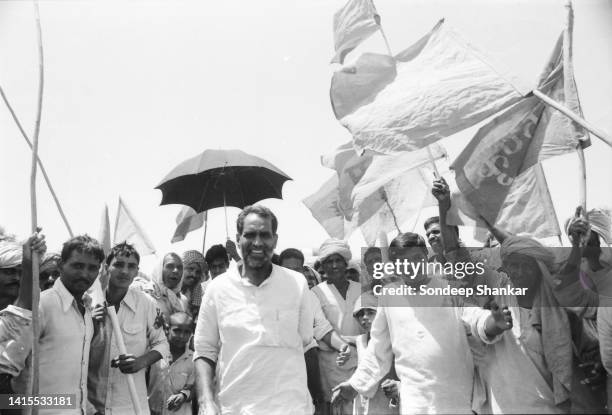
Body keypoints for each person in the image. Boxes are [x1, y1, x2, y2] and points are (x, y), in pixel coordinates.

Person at [331, 232, 505, 414]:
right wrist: (355, 385)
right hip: (414, 399)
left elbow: (474, 316)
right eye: (403, 261)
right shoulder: (389, 296)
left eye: (416, 258)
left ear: (426, 258)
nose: (411, 265)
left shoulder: (449, 288)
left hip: (455, 396)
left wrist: (492, 322)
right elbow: (377, 349)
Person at [194, 204, 314, 414]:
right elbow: (204, 350)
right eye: (250, 235)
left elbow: (305, 339)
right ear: (238, 239)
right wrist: (205, 401)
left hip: (290, 407)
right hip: (234, 408)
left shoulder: (297, 284)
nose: (257, 243)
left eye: (265, 235)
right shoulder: (217, 288)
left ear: (275, 240)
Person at [17, 235, 105, 414]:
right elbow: (7, 378)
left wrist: (88, 409)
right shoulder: (42, 305)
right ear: (61, 265)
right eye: (77, 265)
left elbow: (75, 385)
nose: (84, 274)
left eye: (92, 268)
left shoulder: (87, 313)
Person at [88, 242, 169, 415]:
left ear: (136, 271)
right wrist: (91, 324)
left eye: (131, 266)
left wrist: (141, 362)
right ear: (106, 267)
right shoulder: (88, 302)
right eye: (118, 264)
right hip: (94, 406)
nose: (124, 271)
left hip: (131, 406)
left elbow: (162, 344)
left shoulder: (146, 303)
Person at [280, 247, 352, 413]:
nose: (292, 274)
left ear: (303, 270)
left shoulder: (309, 296)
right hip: (276, 369)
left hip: (304, 369)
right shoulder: (267, 294)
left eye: (296, 269)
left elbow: (322, 329)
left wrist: (343, 347)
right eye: (287, 269)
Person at [311, 239, 362, 415]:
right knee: (337, 407)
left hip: (361, 360)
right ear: (322, 266)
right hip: (332, 364)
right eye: (328, 262)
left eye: (338, 260)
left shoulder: (361, 289)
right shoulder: (316, 293)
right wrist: (342, 346)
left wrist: (354, 343)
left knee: (361, 407)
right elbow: (319, 329)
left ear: (345, 263)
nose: (334, 265)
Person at [0, 232, 46, 400]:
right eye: (9, 271)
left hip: (14, 396)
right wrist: (28, 263)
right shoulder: (22, 312)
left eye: (21, 272)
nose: (17, 278)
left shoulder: (37, 310)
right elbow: (17, 317)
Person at [340, 292, 399, 415]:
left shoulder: (393, 339)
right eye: (360, 314)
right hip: (363, 401)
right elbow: (346, 340)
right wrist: (346, 348)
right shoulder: (360, 340)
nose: (365, 317)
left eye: (370, 312)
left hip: (385, 401)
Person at [148, 312, 195, 415]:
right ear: (167, 329)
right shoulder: (154, 354)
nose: (181, 336)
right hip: (151, 411)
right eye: (177, 331)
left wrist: (183, 395)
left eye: (187, 332)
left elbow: (195, 387)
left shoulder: (193, 360)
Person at [134, 252, 185, 326]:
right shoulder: (144, 294)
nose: (176, 271)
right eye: (170, 266)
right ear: (160, 269)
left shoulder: (182, 300)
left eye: (180, 268)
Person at [180, 250, 207, 318]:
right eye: (191, 269)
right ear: (182, 268)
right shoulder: (168, 291)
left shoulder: (201, 296)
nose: (194, 275)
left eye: (197, 272)